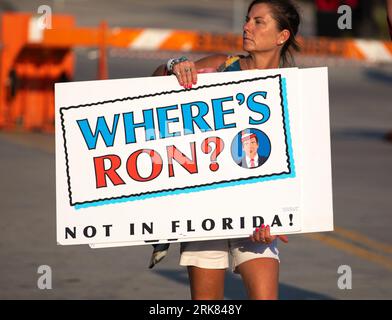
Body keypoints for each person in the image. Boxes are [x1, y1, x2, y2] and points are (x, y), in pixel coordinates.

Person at [150, 0, 300, 300]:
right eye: (247, 20)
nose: (247, 27)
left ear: (282, 36)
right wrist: (174, 67)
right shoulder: (221, 65)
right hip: (206, 211)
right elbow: (154, 82)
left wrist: (282, 218)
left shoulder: (292, 89)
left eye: (259, 22)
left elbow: (296, 167)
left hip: (257, 218)